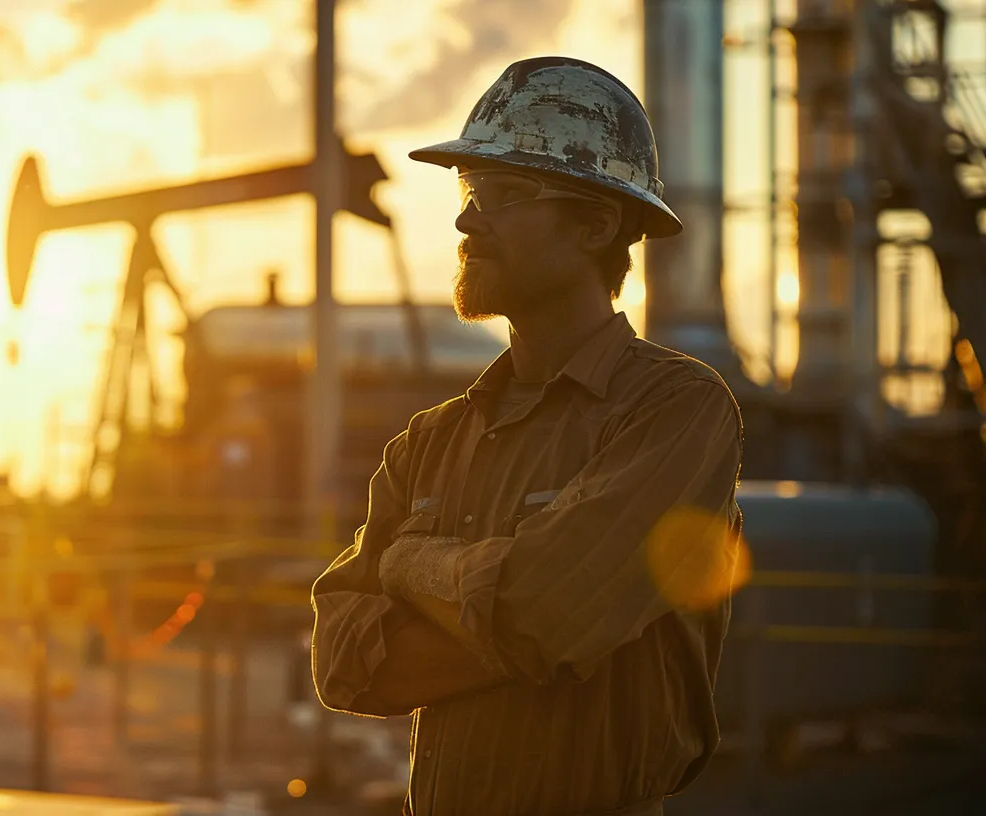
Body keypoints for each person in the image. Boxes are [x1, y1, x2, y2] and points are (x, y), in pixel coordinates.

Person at [309, 56, 745, 816]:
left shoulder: (676, 409)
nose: (466, 220)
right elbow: (342, 661)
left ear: (598, 224)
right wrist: (536, 634)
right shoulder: (430, 442)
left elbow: (544, 614)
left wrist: (411, 564)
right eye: (469, 192)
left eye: (502, 195)